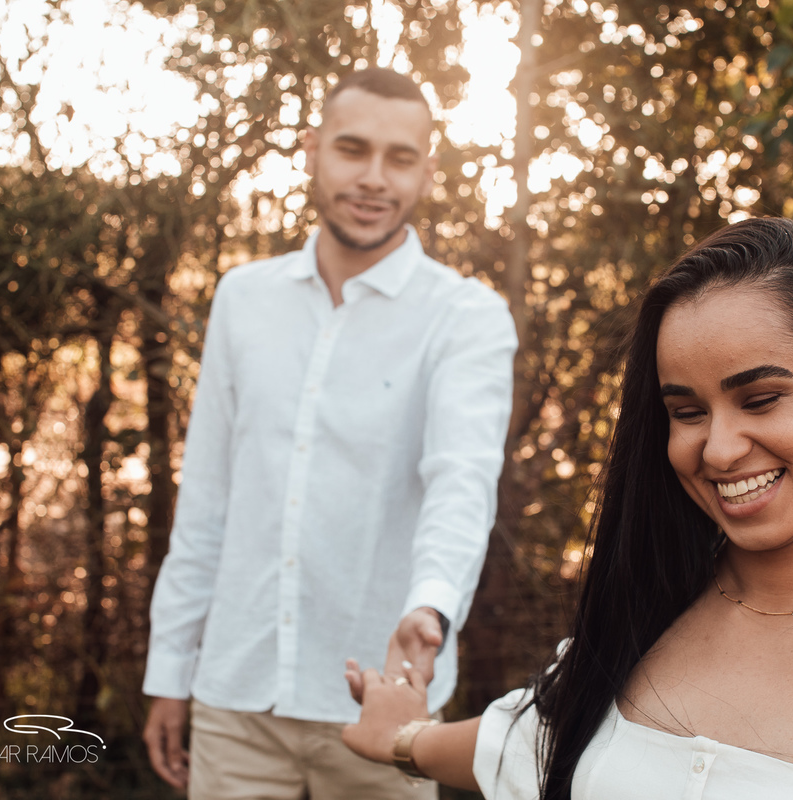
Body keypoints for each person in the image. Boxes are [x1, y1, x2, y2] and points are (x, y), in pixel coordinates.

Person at [341, 217, 793, 800]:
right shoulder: (643, 616)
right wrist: (401, 740)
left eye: (760, 398)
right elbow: (530, 745)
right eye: (686, 412)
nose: (718, 450)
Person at [141, 67, 518, 800]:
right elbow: (208, 500)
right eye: (353, 150)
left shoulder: (466, 318)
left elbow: (460, 482)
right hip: (235, 697)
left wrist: (431, 606)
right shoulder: (242, 300)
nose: (375, 178)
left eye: (400, 158)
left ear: (427, 172)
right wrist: (169, 672)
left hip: (384, 709)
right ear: (311, 150)